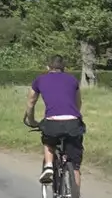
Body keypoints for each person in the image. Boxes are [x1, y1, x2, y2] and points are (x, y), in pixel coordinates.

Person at [26, 55, 84, 188]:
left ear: (47, 67)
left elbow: (31, 102)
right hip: (73, 123)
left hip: (53, 123)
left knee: (48, 140)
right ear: (64, 68)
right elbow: (78, 103)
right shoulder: (73, 80)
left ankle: (48, 166)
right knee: (75, 165)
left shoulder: (40, 80)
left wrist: (31, 120)